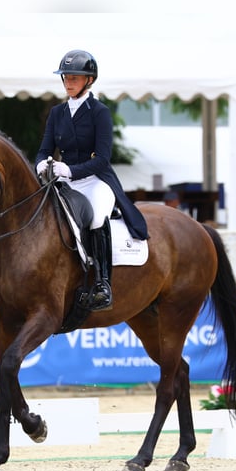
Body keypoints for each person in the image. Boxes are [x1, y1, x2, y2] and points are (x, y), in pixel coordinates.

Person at [35, 49, 148, 312]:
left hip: (96, 180)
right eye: (66, 77)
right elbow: (44, 149)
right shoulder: (57, 113)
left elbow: (103, 158)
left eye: (75, 77)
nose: (68, 82)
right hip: (65, 182)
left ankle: (102, 283)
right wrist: (41, 163)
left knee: (97, 217)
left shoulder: (100, 112)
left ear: (89, 80)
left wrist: (70, 170)